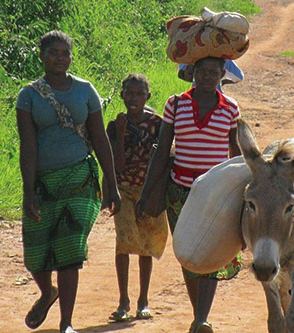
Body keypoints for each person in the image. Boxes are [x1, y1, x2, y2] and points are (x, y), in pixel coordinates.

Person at [16, 30, 121, 333]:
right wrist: (28, 191)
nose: (60, 58)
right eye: (53, 52)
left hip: (80, 178)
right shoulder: (29, 95)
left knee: (69, 251)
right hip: (43, 182)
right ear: (42, 56)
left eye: (65, 53)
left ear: (71, 57)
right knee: (35, 256)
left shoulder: (85, 90)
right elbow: (28, 147)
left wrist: (111, 185)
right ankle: (48, 291)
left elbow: (101, 140)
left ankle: (66, 323)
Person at [136, 56, 242, 333]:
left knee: (212, 252)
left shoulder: (230, 108)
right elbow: (162, 151)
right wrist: (146, 192)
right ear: (193, 72)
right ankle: (199, 316)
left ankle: (201, 319)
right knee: (188, 253)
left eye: (214, 73)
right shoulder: (176, 104)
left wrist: (245, 189)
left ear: (222, 75)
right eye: (203, 72)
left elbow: (236, 154)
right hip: (178, 190)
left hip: (216, 193)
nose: (208, 77)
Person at [103, 74, 168, 322]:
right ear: (121, 95)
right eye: (128, 93)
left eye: (139, 94)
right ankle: (123, 301)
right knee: (124, 242)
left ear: (147, 97)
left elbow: (164, 161)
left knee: (146, 246)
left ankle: (143, 300)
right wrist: (119, 134)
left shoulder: (158, 125)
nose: (133, 98)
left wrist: (156, 194)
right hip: (124, 190)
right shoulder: (115, 126)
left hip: (148, 192)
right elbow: (117, 166)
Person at [177, 59, 244, 92]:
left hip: (195, 96)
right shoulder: (224, 58)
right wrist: (222, 81)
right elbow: (239, 77)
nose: (206, 77)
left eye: (213, 73)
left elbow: (181, 74)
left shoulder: (192, 55)